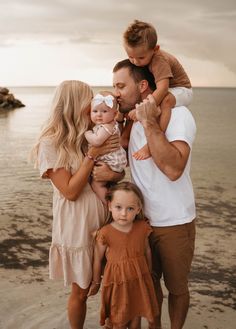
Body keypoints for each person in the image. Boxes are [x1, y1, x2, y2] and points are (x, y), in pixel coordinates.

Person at [110, 60, 196, 329]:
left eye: (121, 86)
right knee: (148, 286)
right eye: (114, 87)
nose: (116, 93)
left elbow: (173, 169)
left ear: (143, 85)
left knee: (177, 288)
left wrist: (149, 123)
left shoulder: (179, 115)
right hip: (141, 223)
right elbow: (124, 162)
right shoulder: (132, 120)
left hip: (174, 221)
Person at [31, 80, 124, 329]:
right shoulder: (50, 144)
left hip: (108, 219)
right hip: (78, 225)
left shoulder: (93, 134)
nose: (93, 105)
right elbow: (70, 191)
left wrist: (114, 175)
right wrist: (92, 155)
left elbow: (116, 170)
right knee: (82, 291)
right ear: (75, 104)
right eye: (88, 100)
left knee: (115, 285)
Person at [88, 181, 159, 329]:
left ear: (138, 209)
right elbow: (97, 259)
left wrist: (150, 273)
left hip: (138, 280)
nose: (124, 214)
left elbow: (147, 251)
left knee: (136, 317)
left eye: (130, 208)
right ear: (109, 206)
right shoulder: (105, 232)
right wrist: (96, 282)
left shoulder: (142, 228)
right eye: (118, 207)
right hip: (117, 282)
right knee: (117, 319)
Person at [122, 20, 193, 160]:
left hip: (182, 90)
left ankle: (151, 144)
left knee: (165, 100)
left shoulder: (159, 60)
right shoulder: (143, 58)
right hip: (170, 89)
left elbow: (163, 88)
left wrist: (141, 109)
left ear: (155, 49)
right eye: (131, 57)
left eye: (141, 57)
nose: (135, 62)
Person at [84, 91, 127, 204]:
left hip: (112, 162)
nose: (99, 114)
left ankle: (109, 205)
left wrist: (86, 134)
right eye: (95, 111)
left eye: (104, 111)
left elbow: (97, 141)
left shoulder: (107, 126)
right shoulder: (107, 124)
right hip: (112, 160)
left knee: (97, 184)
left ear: (115, 114)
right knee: (109, 185)